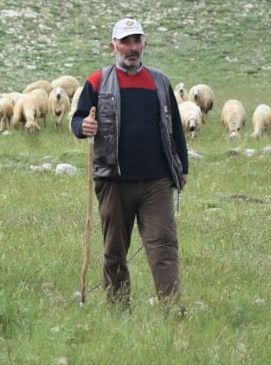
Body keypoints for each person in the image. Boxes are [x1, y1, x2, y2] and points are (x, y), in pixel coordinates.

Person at [71, 18, 189, 311]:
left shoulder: (159, 81)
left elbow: (175, 127)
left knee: (164, 245)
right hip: (113, 179)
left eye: (137, 41)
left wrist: (183, 168)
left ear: (144, 44)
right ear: (113, 47)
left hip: (156, 180)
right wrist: (83, 126)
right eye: (125, 42)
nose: (132, 48)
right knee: (114, 250)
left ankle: (171, 308)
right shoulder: (98, 81)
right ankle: (118, 309)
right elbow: (78, 119)